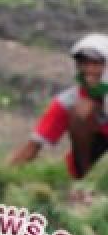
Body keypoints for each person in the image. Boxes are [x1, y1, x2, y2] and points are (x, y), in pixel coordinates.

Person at [8, 33, 108, 179]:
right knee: (80, 110)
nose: (89, 70)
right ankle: (81, 179)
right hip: (90, 156)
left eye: (96, 64)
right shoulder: (68, 101)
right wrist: (0, 175)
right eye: (84, 63)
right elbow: (34, 145)